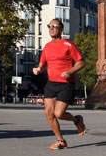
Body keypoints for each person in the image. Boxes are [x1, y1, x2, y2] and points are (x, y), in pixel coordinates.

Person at [32, 19, 86, 150]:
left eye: (55, 26)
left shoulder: (68, 44)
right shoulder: (47, 47)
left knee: (59, 114)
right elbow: (43, 64)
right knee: (48, 113)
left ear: (61, 30)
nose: (51, 28)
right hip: (51, 83)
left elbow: (81, 62)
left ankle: (77, 120)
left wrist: (70, 71)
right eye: (49, 26)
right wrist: (38, 69)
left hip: (66, 84)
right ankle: (61, 141)